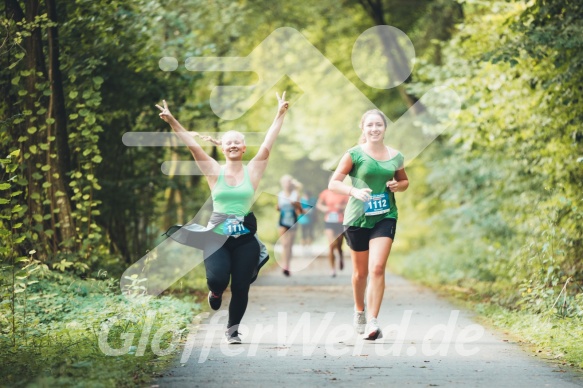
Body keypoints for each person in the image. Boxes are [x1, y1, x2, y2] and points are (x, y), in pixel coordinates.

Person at [155, 92, 290, 344]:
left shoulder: (254, 170)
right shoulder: (213, 171)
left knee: (241, 285)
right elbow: (192, 146)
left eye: (238, 142)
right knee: (218, 278)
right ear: (222, 147)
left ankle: (232, 330)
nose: (233, 145)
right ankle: (215, 292)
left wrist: (280, 113)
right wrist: (172, 121)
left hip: (245, 235)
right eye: (229, 142)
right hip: (217, 234)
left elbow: (269, 142)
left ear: (244, 147)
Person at [329, 109, 409, 340]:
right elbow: (334, 183)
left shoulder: (396, 156)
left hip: (385, 215)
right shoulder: (353, 155)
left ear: (385, 128)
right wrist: (353, 190)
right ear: (363, 129)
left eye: (379, 125)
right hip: (357, 218)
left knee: (377, 268)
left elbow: (404, 181)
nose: (374, 129)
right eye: (370, 125)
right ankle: (359, 310)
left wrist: (398, 186)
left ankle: (373, 321)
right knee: (360, 273)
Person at [316, 188, 349, 277]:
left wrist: (341, 207)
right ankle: (333, 269)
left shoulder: (344, 192)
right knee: (331, 245)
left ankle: (340, 257)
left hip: (340, 221)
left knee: (339, 244)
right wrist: (325, 208)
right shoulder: (325, 192)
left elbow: (349, 205)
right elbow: (318, 204)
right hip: (329, 221)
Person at [277, 175, 303, 276]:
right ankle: (285, 265)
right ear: (282, 184)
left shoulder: (295, 194)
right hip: (282, 221)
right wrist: (278, 208)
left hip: (293, 221)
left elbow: (300, 211)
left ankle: (288, 265)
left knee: (290, 245)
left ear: (291, 183)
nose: (286, 184)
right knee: (284, 244)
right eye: (285, 182)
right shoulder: (280, 194)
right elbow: (278, 208)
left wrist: (295, 204)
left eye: (288, 182)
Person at [297, 189, 316, 255]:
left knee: (310, 234)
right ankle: (303, 247)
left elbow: (315, 209)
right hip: (303, 220)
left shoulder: (313, 200)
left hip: (311, 220)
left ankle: (309, 247)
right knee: (303, 234)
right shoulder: (301, 200)